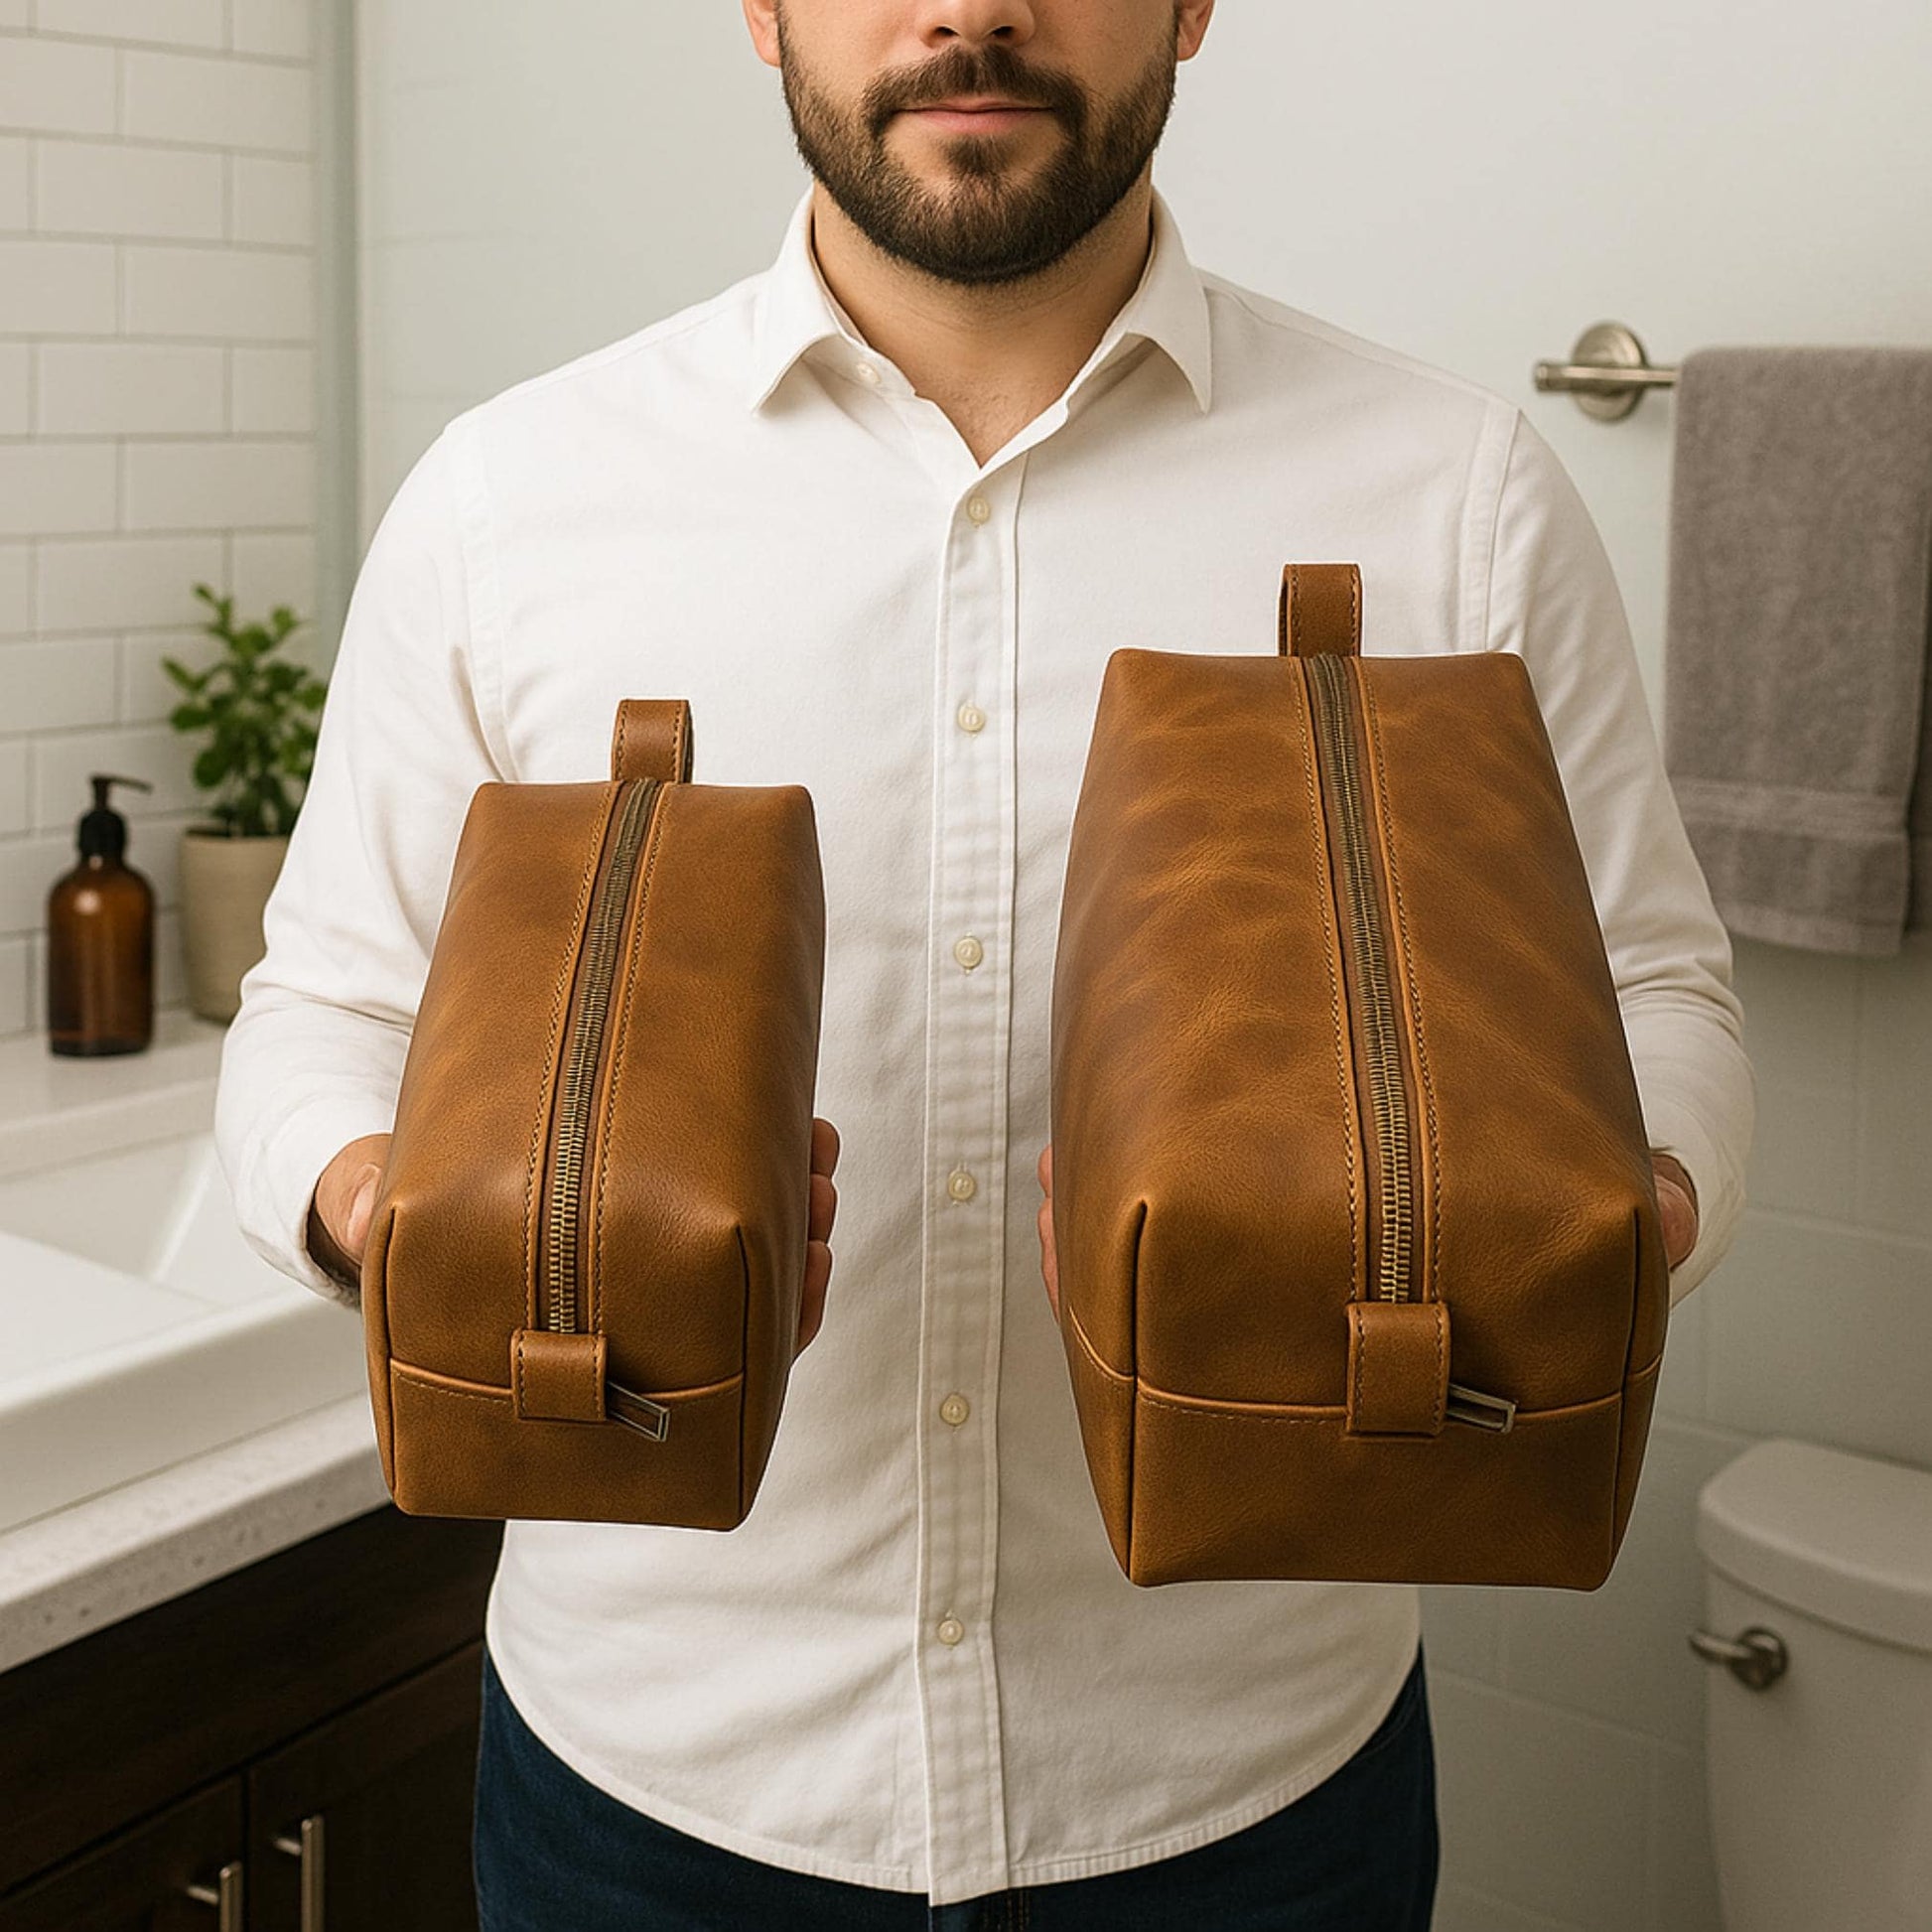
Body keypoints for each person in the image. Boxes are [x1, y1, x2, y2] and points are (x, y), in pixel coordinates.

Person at [215, 2, 1753, 1926]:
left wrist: (1601, 1223)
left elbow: (1652, 995)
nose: (971, 9)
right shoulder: (508, 498)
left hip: (1245, 1797)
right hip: (653, 1788)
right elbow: (326, 1008)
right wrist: (412, 1215)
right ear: (761, 9)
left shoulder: (1454, 490)